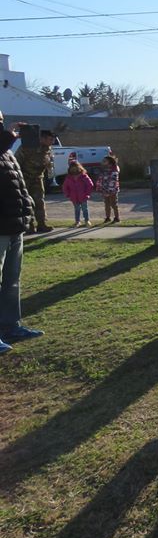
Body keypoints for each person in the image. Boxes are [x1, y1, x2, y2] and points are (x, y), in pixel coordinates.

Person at [0, 112, 43, 356]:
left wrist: (27, 208)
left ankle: (10, 327)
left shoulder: (7, 152)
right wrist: (7, 138)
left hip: (14, 226)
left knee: (11, 280)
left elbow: (19, 184)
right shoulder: (3, 146)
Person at [15, 129, 55, 234]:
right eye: (50, 139)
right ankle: (30, 226)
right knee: (27, 202)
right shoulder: (27, 147)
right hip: (25, 178)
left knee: (39, 202)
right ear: (42, 139)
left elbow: (48, 162)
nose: (52, 142)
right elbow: (17, 162)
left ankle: (42, 224)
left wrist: (49, 166)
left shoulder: (48, 149)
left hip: (38, 178)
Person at [63, 159, 94, 227]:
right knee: (77, 209)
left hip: (83, 196)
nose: (74, 170)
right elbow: (65, 187)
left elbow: (90, 185)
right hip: (74, 197)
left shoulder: (84, 176)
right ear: (70, 169)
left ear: (79, 167)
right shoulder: (68, 178)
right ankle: (77, 221)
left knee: (85, 209)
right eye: (72, 168)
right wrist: (68, 194)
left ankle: (87, 220)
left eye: (75, 168)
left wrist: (87, 194)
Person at [98, 155, 121, 223]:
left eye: (105, 161)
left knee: (113, 204)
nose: (103, 162)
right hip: (105, 190)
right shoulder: (103, 170)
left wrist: (110, 189)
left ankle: (117, 217)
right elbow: (101, 179)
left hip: (112, 190)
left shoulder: (114, 170)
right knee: (107, 204)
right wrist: (100, 186)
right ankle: (108, 217)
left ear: (110, 162)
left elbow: (113, 180)